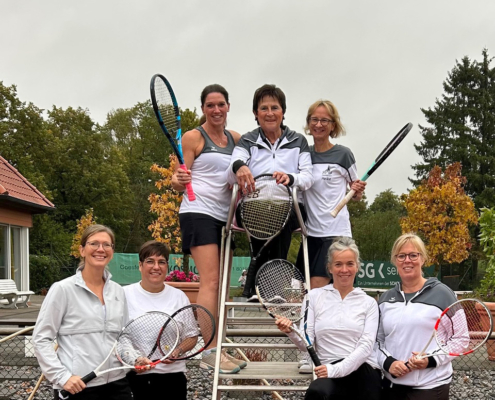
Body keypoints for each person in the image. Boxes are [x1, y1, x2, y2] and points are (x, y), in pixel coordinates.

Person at [171, 84, 243, 373]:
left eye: (221, 104)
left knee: (223, 285)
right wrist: (177, 180)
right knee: (210, 282)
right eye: (210, 105)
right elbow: (177, 179)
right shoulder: (193, 137)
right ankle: (210, 351)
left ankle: (220, 347)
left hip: (226, 219)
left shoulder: (236, 139)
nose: (216, 109)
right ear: (203, 108)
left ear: (228, 107)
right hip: (198, 212)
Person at [226, 83, 314, 301]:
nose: (269, 113)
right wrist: (239, 167)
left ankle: (259, 289)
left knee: (281, 217)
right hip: (253, 208)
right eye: (263, 108)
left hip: (290, 206)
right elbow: (230, 173)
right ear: (256, 113)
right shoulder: (247, 140)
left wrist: (290, 178)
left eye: (275, 108)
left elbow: (308, 177)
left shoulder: (298, 141)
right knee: (267, 217)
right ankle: (271, 291)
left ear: (283, 111)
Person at [33, 225, 133, 400]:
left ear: (112, 251)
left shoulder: (118, 291)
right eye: (94, 243)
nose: (100, 249)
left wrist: (135, 359)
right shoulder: (63, 289)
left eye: (106, 245)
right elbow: (41, 339)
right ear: (82, 250)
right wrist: (63, 377)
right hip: (78, 387)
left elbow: (123, 337)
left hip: (117, 385)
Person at [275, 237, 382, 400]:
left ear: (357, 267)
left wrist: (335, 370)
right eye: (338, 264)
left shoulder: (369, 302)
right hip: (328, 370)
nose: (344, 269)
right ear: (329, 268)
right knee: (317, 392)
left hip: (362, 370)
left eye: (350, 264)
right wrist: (291, 331)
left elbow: (366, 347)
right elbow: (306, 343)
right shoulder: (313, 297)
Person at [376, 233, 457, 400]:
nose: (407, 260)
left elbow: (460, 339)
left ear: (423, 259)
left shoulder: (444, 294)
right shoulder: (385, 299)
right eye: (401, 256)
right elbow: (377, 341)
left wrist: (430, 360)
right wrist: (389, 363)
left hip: (431, 387)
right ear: (395, 261)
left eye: (413, 255)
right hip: (391, 386)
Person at [297, 99, 366, 290]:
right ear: (309, 122)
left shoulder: (344, 154)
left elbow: (356, 195)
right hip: (310, 235)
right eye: (314, 119)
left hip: (336, 234)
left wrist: (357, 191)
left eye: (324, 120)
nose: (319, 125)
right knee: (301, 291)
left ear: (333, 125)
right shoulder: (303, 155)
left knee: (316, 290)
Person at [123, 241, 189, 400]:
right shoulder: (123, 295)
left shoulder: (179, 297)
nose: (156, 267)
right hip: (134, 378)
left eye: (161, 262)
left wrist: (178, 351)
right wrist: (135, 359)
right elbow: (118, 337)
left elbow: (191, 336)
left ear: (167, 266)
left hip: (173, 379)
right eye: (150, 261)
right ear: (140, 265)